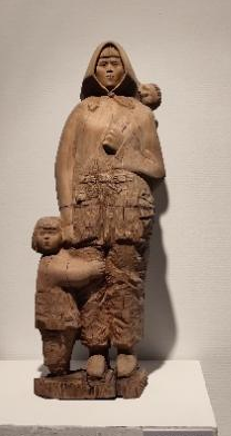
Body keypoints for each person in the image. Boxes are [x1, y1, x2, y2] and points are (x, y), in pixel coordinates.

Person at [54, 42, 165, 379]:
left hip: (129, 208)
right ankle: (97, 348)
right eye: (103, 63)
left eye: (116, 62)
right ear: (94, 69)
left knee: (126, 276)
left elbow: (157, 167)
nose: (110, 69)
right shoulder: (82, 112)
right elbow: (64, 166)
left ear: (126, 68)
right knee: (92, 278)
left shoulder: (140, 114)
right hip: (88, 206)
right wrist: (67, 215)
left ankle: (126, 346)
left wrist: (124, 156)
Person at [32, 216, 106, 376]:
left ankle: (61, 371)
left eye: (52, 232)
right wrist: (91, 270)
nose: (46, 237)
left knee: (64, 345)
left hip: (63, 315)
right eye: (42, 233)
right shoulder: (48, 263)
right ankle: (58, 372)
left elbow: (71, 264)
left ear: (63, 234)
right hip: (53, 318)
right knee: (56, 348)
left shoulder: (60, 256)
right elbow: (69, 273)